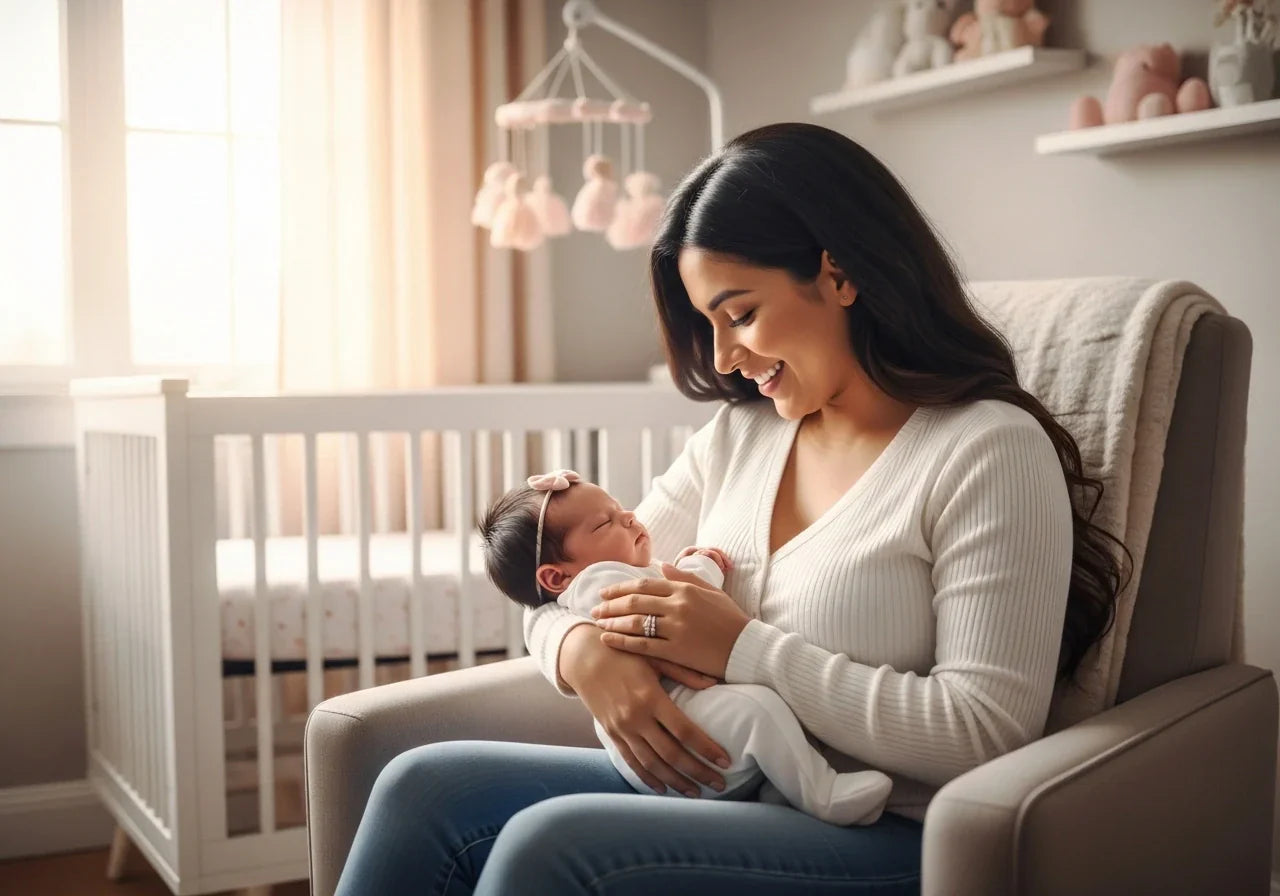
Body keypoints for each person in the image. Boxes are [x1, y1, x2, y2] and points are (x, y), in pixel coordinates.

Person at [333, 122, 1126, 896]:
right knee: (423, 788)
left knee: (551, 846)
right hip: (729, 785)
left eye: (739, 314)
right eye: (707, 325)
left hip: (885, 827)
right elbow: (579, 579)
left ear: (840, 273)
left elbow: (985, 730)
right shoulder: (740, 435)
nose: (721, 360)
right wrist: (578, 649)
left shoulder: (986, 449)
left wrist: (741, 648)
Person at [476, 468, 894, 825]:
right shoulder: (596, 584)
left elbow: (675, 594)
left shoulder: (612, 570)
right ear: (556, 578)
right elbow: (683, 603)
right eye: (605, 524)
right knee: (758, 711)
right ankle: (821, 792)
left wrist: (690, 567)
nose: (629, 516)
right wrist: (577, 649)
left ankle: (784, 791)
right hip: (676, 738)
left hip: (682, 737)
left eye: (620, 508)